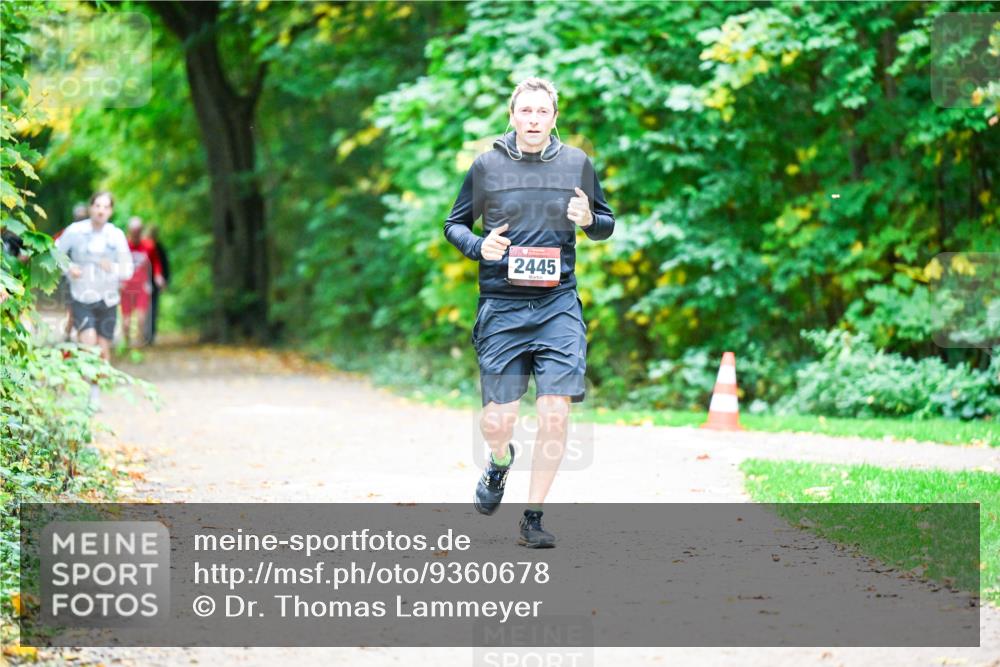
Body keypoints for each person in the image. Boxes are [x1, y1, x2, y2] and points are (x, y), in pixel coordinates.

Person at [443, 77, 615, 548]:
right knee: (497, 422)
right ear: (513, 116)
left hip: (557, 304)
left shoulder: (577, 163)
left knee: (554, 412)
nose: (534, 120)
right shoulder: (487, 166)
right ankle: (500, 461)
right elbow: (453, 224)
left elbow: (605, 223)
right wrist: (482, 246)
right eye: (526, 112)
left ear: (554, 118)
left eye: (543, 112)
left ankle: (533, 516)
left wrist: (588, 221)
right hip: (501, 306)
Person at [54, 191, 133, 374]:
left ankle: (95, 394)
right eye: (97, 206)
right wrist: (69, 268)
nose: (100, 211)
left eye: (105, 207)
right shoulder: (75, 231)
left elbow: (128, 270)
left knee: (103, 349)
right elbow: (55, 253)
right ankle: (88, 394)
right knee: (89, 344)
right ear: (91, 208)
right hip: (82, 296)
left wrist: (112, 267)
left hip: (108, 299)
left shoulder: (116, 235)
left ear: (111, 211)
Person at [120, 216, 163, 348]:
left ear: (141, 230)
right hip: (126, 287)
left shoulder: (149, 246)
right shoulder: (123, 245)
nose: (136, 233)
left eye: (138, 231)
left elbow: (155, 262)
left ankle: (138, 346)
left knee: (141, 318)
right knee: (126, 321)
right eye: (133, 231)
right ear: (129, 231)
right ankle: (126, 343)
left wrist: (158, 275)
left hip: (142, 287)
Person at [143, 224, 169, 344]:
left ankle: (150, 335)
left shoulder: (158, 247)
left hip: (153, 283)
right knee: (144, 309)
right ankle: (144, 334)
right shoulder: (143, 245)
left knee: (152, 309)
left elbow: (163, 265)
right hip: (142, 282)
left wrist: (164, 280)